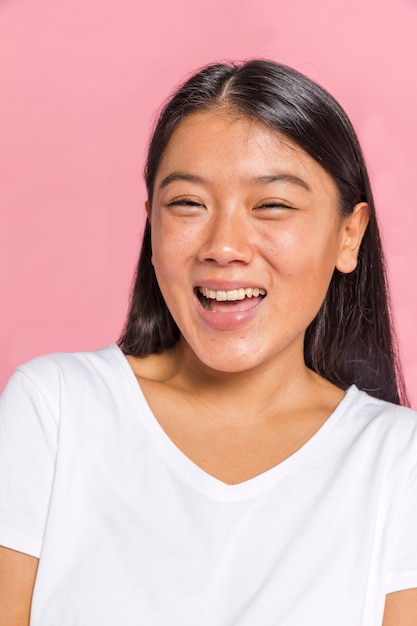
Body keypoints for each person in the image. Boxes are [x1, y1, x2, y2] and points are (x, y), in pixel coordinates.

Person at [0, 60, 416, 626]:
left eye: (272, 205)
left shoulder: (397, 461)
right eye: (187, 204)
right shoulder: (54, 410)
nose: (223, 246)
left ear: (349, 235)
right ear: (151, 227)